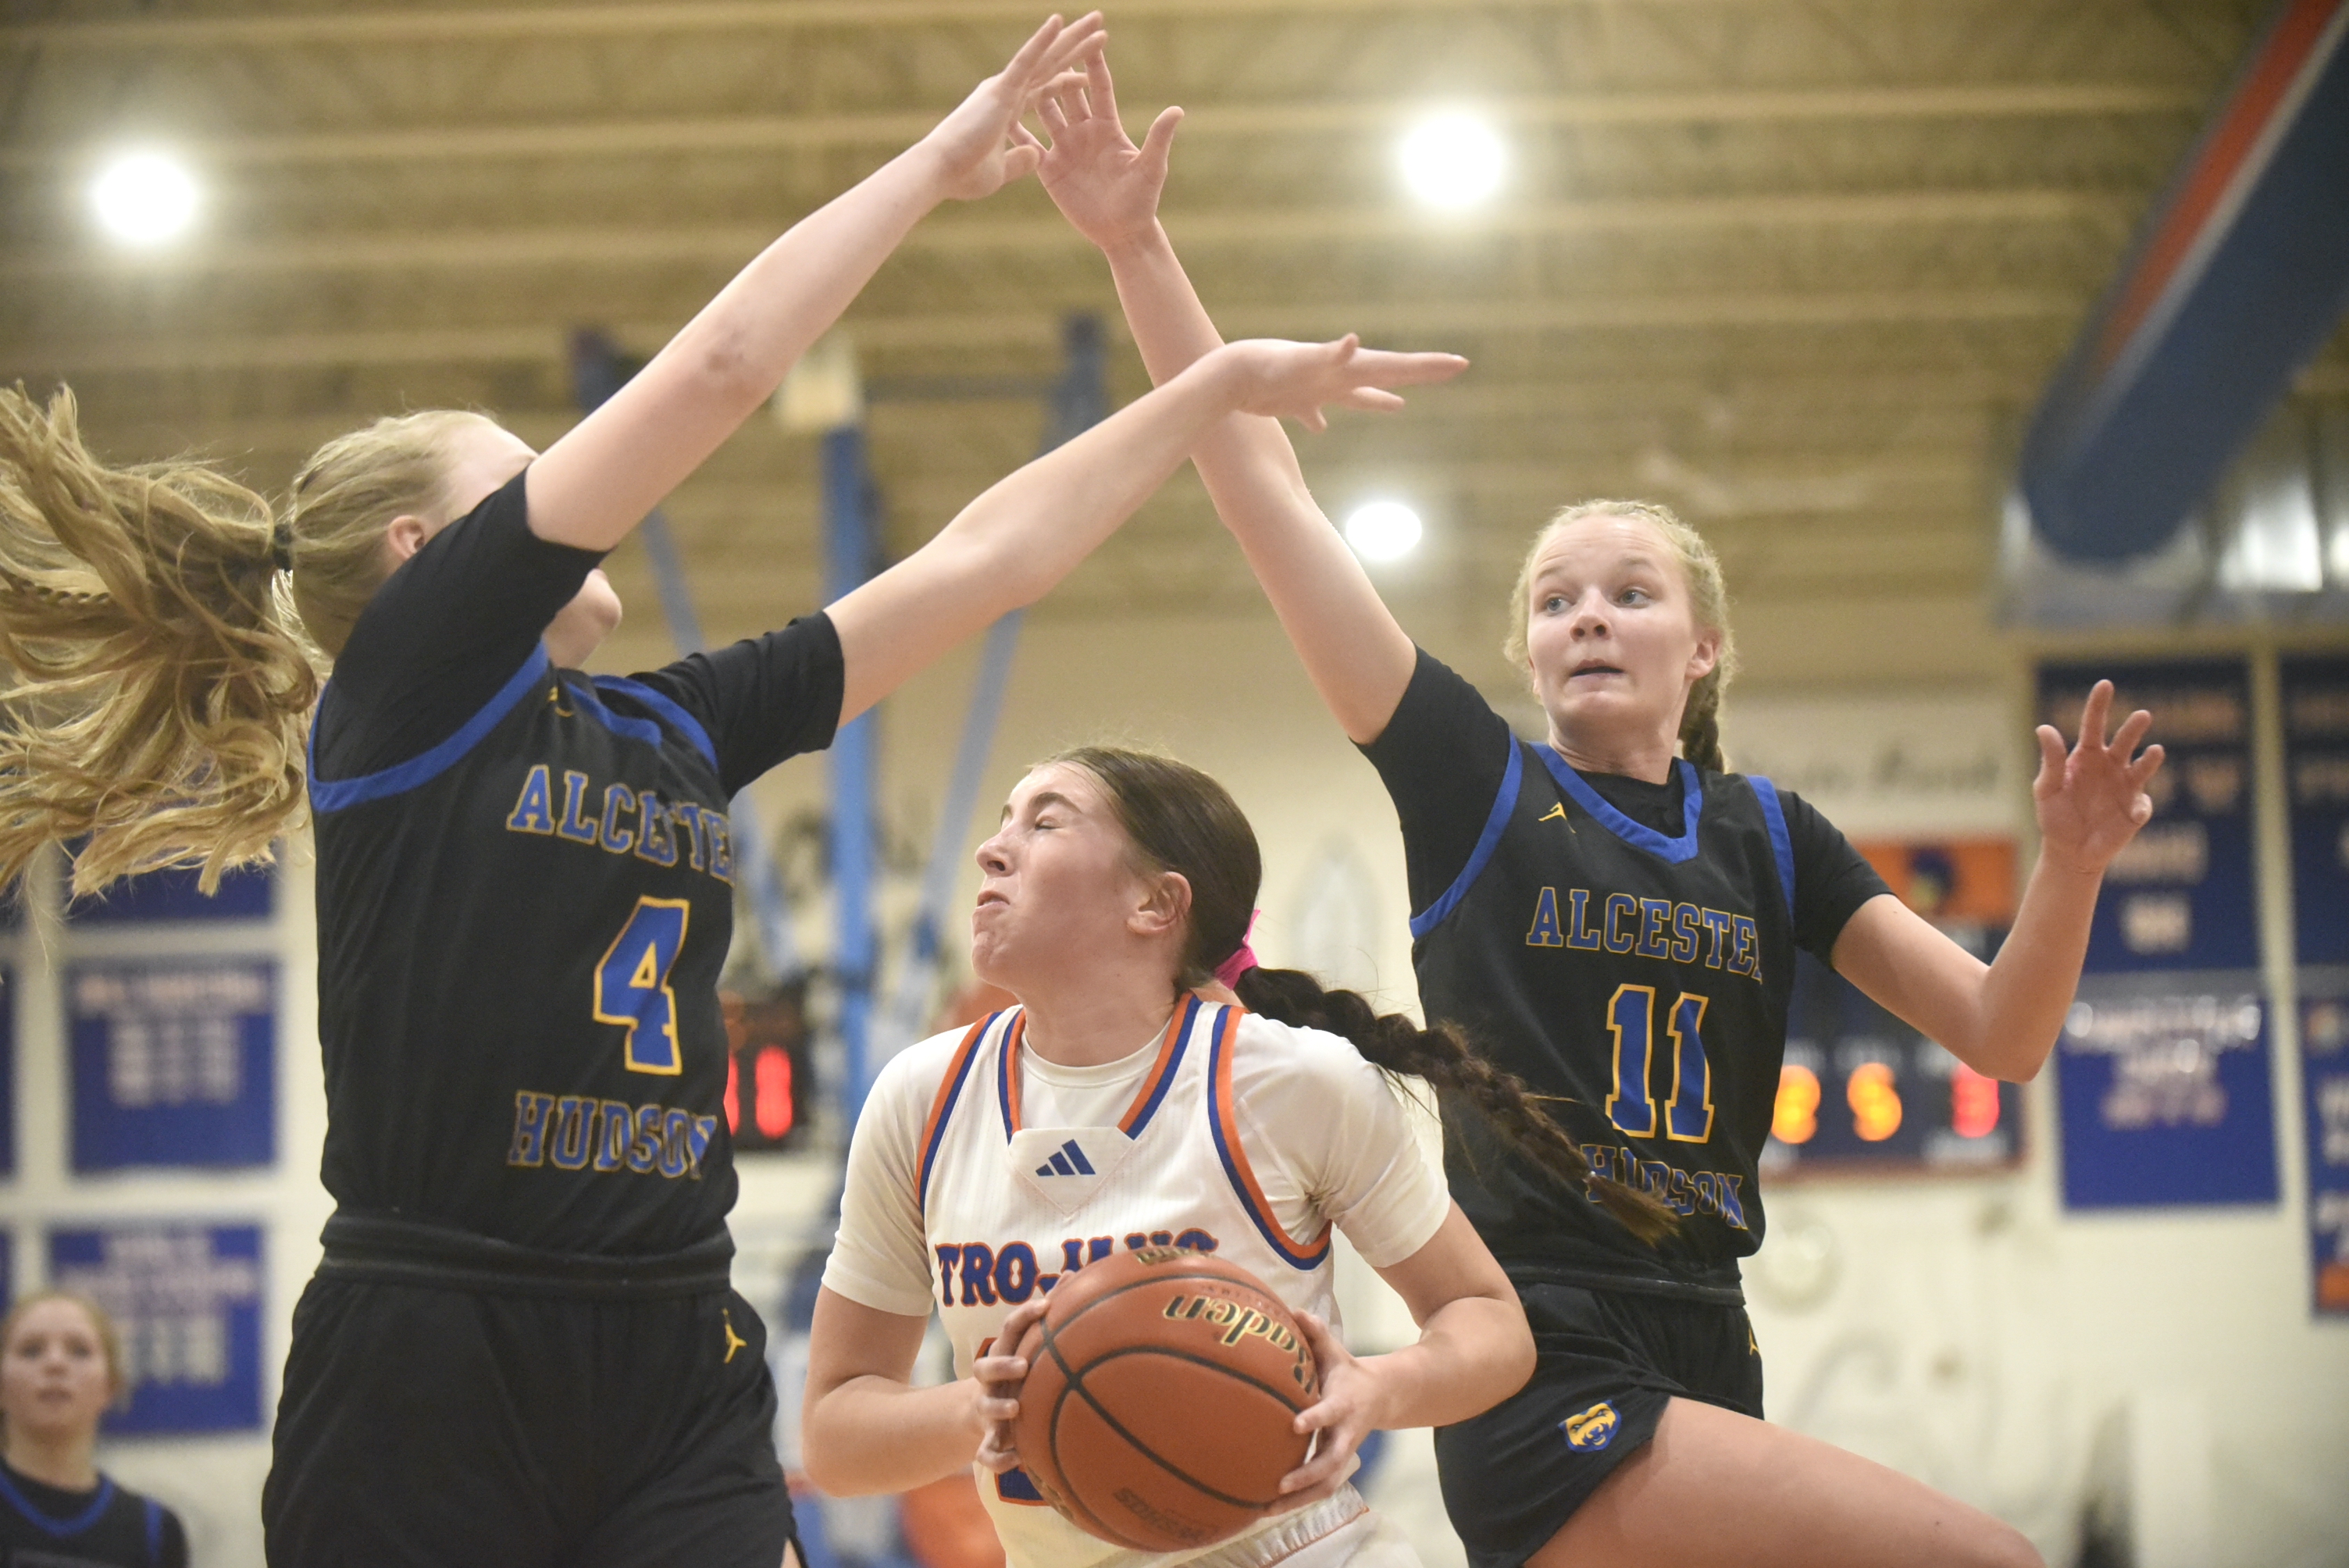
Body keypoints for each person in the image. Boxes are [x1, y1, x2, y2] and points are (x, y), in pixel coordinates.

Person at [0, 16, 1467, 1564]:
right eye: (522, 477)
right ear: (427, 562)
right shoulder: (409, 696)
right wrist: (934, 167)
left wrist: (1208, 392)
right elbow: (720, 367)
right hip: (434, 1338)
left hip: (668, 1338)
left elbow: (986, 561)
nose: (574, 493)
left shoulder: (673, 729)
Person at [1023, 50, 2168, 1568]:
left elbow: (2004, 1036)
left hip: (1711, 1332)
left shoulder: (1770, 836)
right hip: (1541, 1346)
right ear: (1523, 649)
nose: (1587, 615)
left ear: (1701, 649)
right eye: (1554, 597)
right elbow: (1259, 493)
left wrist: (2073, 865)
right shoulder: (1473, 780)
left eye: (1631, 591)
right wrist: (1133, 244)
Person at [804, 744, 1625, 1568]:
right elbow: (835, 1433)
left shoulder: (1291, 1081)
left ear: (1155, 904)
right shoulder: (921, 1095)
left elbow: (1488, 1324)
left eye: (1045, 820)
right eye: (1002, 820)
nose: (993, 847)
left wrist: (1375, 1389)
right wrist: (978, 1410)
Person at [0, 1292, 188, 1568]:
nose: (55, 1363)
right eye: (31, 1350)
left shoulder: (154, 1530)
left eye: (79, 1350)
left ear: (110, 1386)